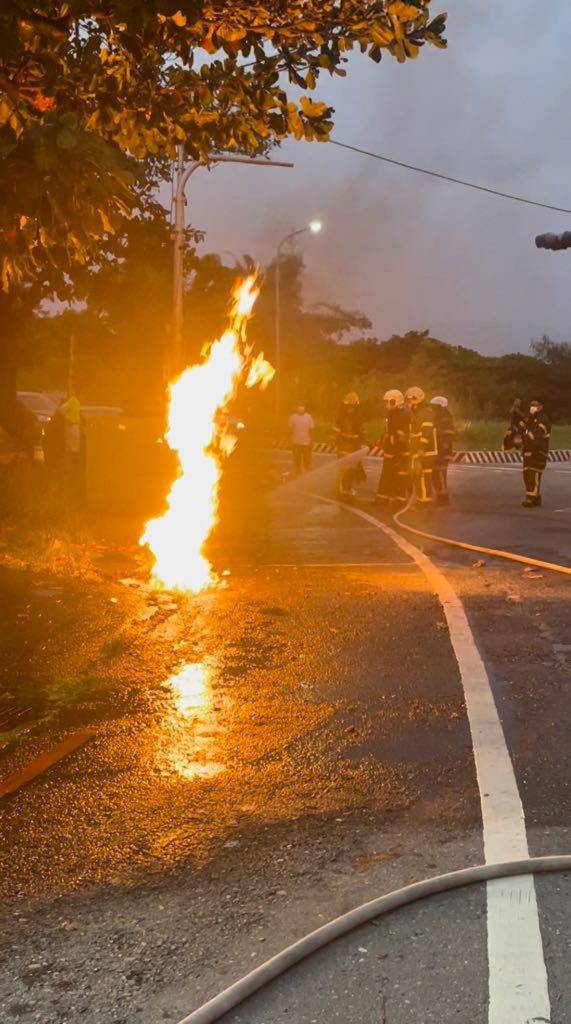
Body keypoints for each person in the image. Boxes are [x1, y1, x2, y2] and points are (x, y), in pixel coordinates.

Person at [376, 389, 411, 504]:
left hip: (401, 451)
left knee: (400, 475)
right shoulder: (392, 414)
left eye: (388, 402)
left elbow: (402, 435)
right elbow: (388, 431)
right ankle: (382, 498)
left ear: (394, 401)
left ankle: (400, 499)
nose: (386, 405)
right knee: (386, 474)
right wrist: (382, 441)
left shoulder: (404, 414)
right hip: (391, 450)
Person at [404, 386, 437, 504]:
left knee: (422, 476)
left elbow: (426, 432)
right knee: (418, 476)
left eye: (410, 400)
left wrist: (421, 448)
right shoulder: (418, 413)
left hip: (426, 451)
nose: (409, 404)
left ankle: (424, 501)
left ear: (417, 400)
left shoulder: (425, 412)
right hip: (419, 449)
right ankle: (422, 499)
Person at [333, 391, 365, 498]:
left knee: (348, 469)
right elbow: (359, 431)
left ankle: (345, 488)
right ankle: (344, 488)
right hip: (348, 446)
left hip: (348, 446)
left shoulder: (343, 413)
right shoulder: (347, 415)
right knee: (347, 469)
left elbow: (360, 430)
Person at [521, 399, 550, 507]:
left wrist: (525, 436)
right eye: (531, 405)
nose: (532, 407)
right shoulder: (530, 419)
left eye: (535, 405)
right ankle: (536, 497)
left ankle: (530, 499)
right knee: (527, 474)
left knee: (534, 474)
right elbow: (522, 429)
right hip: (528, 451)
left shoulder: (543, 419)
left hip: (539, 452)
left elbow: (537, 434)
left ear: (541, 407)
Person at [430, 396, 455, 504]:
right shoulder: (439, 417)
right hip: (438, 450)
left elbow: (449, 434)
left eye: (434, 406)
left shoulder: (445, 418)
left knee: (439, 473)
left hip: (443, 452)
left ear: (440, 406)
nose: (432, 409)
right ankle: (440, 495)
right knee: (435, 473)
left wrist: (444, 446)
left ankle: (443, 497)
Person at [288, 402, 314, 476]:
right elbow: (290, 430)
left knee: (307, 461)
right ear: (296, 407)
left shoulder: (309, 417)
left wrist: (311, 441)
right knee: (296, 462)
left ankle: (307, 476)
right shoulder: (292, 417)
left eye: (302, 406)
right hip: (296, 443)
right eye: (299, 406)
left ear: (305, 407)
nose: (301, 408)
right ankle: (297, 475)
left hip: (306, 443)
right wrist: (289, 441)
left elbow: (311, 430)